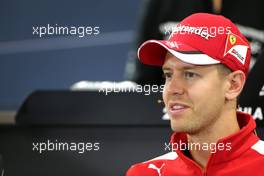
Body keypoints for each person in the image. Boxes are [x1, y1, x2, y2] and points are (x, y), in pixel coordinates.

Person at [126, 13, 264, 176]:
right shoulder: (145, 173)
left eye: (190, 74)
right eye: (168, 75)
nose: (172, 89)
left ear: (234, 85)